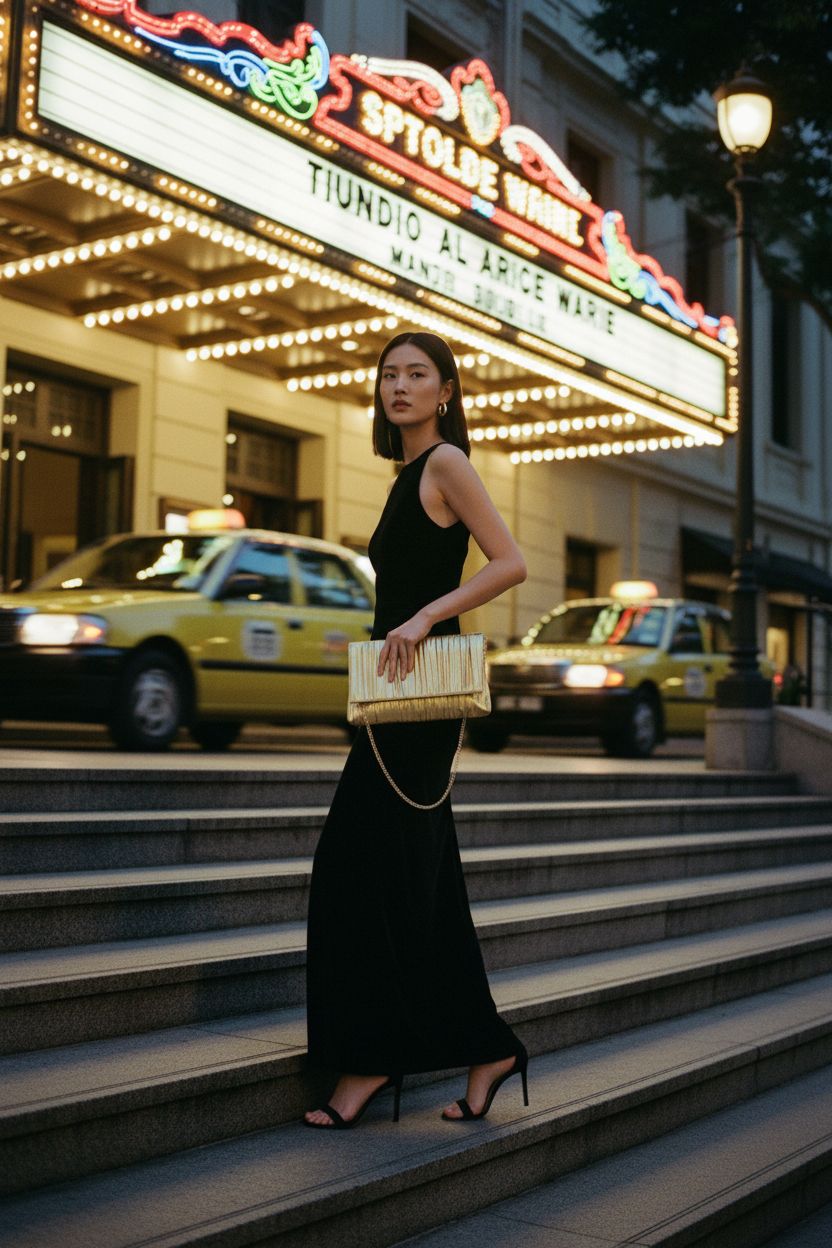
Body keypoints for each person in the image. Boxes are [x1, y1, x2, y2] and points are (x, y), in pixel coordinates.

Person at [304, 330, 528, 1129]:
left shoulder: (446, 464)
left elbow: (510, 561)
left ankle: (367, 1062)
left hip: (417, 707)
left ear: (447, 391)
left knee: (354, 875)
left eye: (416, 375)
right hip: (390, 702)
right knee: (423, 885)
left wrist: (427, 617)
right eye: (388, 375)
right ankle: (486, 1047)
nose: (399, 386)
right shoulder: (408, 476)